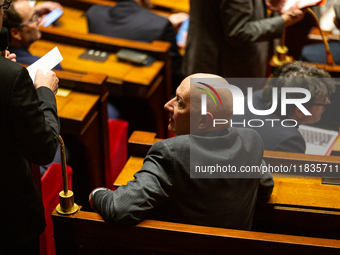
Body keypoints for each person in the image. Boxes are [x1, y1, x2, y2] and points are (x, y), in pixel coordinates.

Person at [89, 73, 273, 230]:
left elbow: (119, 209)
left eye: (179, 102)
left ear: (202, 121)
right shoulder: (252, 140)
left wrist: (97, 194)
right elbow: (265, 188)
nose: (167, 105)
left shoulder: (171, 153)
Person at [0, 0, 60, 253]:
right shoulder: (11, 77)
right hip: (8, 219)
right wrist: (45, 91)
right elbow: (44, 148)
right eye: (3, 5)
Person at [182, 0, 306, 92]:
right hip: (224, 70)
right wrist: (284, 20)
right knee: (221, 123)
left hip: (203, 56)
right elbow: (239, 32)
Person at [231, 62, 335, 153]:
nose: (327, 102)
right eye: (323, 100)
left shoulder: (256, 95)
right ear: (299, 111)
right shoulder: (289, 142)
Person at [85, 0, 186, 92]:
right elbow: (176, 72)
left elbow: (127, 29)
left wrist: (162, 23)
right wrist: (188, 46)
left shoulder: (94, 13)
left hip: (103, 86)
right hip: (144, 98)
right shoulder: (160, 25)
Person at [3, 0, 62, 69]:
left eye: (35, 14)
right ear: (16, 33)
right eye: (32, 19)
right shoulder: (50, 67)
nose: (39, 20)